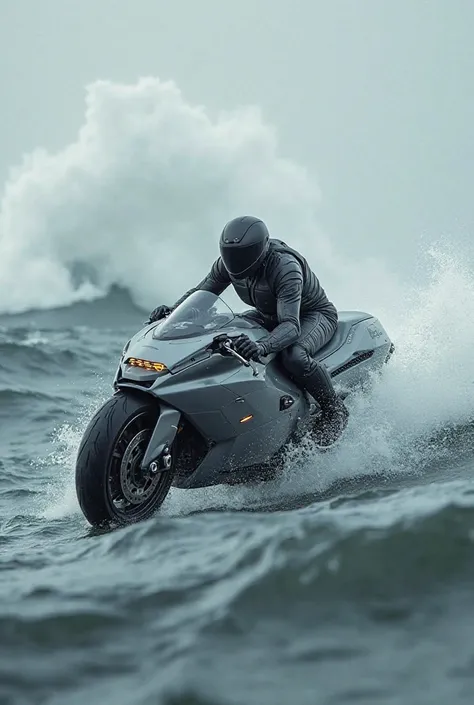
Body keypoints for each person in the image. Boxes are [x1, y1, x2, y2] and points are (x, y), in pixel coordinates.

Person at [148, 216, 349, 448]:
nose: (236, 262)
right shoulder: (227, 263)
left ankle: (334, 409)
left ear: (262, 249)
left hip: (311, 316)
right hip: (268, 316)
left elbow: (291, 326)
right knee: (220, 334)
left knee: (293, 355)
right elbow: (202, 293)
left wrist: (262, 346)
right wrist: (172, 313)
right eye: (231, 255)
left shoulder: (285, 267)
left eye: (243, 255)